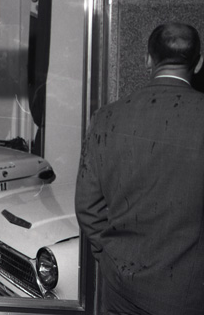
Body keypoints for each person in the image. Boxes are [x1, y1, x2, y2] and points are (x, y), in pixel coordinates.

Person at [75, 22, 204, 315]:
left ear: (147, 59)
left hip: (123, 292)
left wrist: (112, 258)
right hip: (190, 294)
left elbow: (87, 207)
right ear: (198, 63)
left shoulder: (106, 118)